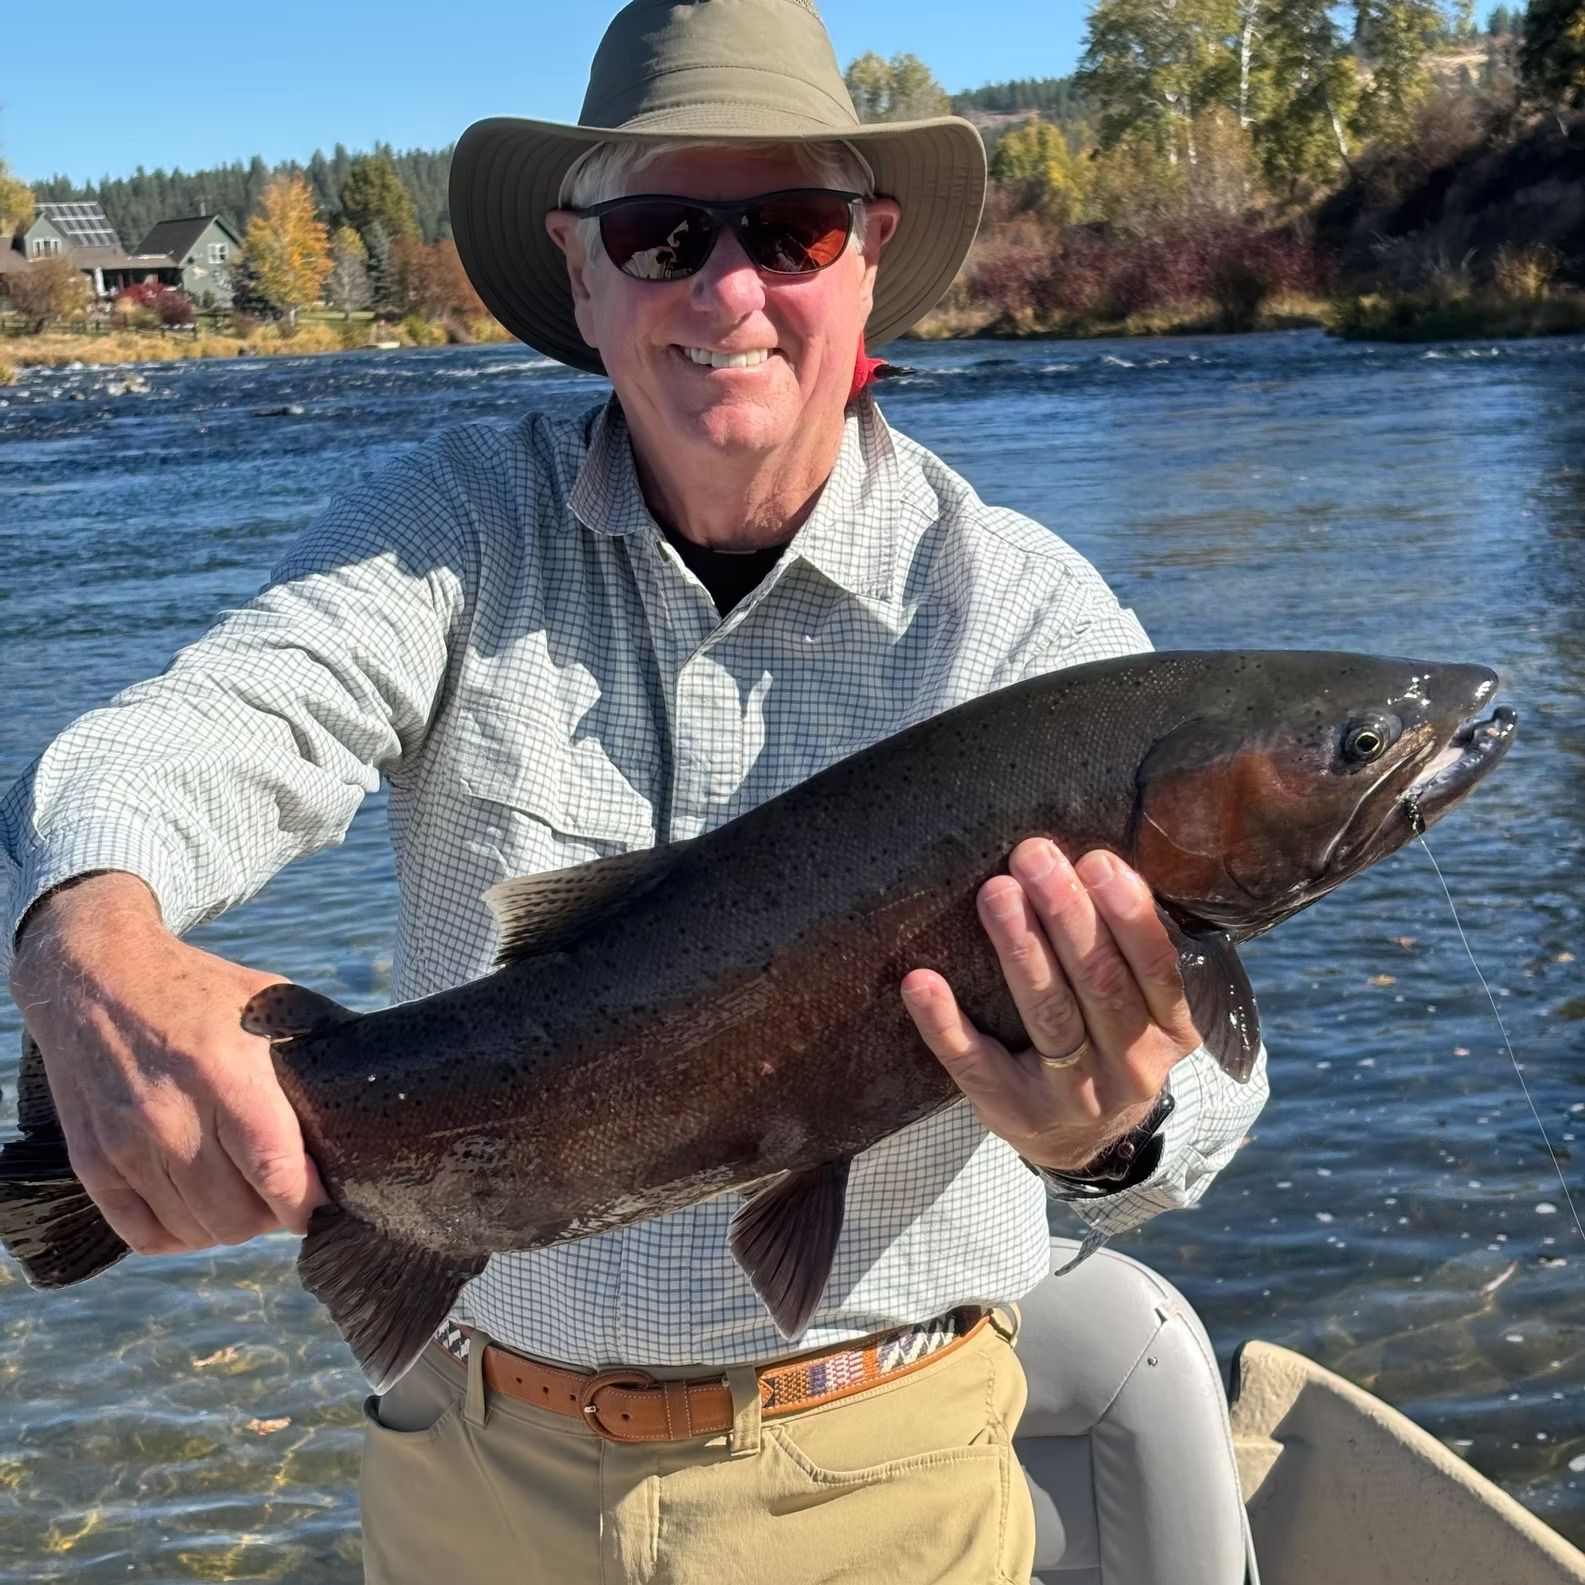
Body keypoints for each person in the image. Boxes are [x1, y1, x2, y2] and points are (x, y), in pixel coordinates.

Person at [1, 2, 1269, 1580]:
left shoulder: (1026, 625)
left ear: (868, 253)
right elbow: (209, 725)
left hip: (882, 1476)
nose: (728, 290)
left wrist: (1113, 1125)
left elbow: (1211, 1104)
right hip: (470, 1468)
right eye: (664, 234)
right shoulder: (451, 526)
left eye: (791, 229)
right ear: (584, 274)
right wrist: (88, 940)